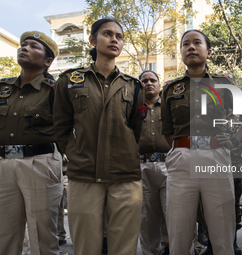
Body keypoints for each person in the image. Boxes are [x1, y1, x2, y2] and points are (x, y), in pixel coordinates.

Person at [53, 18, 144, 255]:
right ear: (92, 40)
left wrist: (126, 153)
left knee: (124, 246)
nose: (114, 39)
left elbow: (137, 128)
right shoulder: (70, 81)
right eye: (107, 34)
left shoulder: (133, 86)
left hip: (125, 176)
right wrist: (74, 153)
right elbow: (60, 126)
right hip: (84, 175)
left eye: (119, 36)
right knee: (85, 245)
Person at [161, 29, 236, 255]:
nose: (191, 47)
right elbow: (167, 131)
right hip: (182, 159)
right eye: (185, 44)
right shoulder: (170, 89)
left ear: (209, 51)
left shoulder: (225, 85)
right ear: (182, 52)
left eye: (197, 43)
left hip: (216, 157)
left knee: (222, 231)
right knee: (179, 232)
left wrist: (233, 139)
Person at [0, 31, 63, 255]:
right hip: (4, 164)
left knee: (41, 236)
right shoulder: (2, 88)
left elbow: (68, 129)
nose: (24, 48)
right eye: (23, 45)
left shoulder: (57, 91)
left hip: (40, 162)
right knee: (5, 235)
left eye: (33, 46)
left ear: (48, 61)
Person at [138, 70, 171, 255]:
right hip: (142, 168)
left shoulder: (168, 106)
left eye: (153, 80)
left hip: (168, 165)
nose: (149, 83)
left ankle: (174, 249)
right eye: (144, 81)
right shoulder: (133, 109)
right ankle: (150, 252)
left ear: (159, 84)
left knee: (173, 214)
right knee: (147, 218)